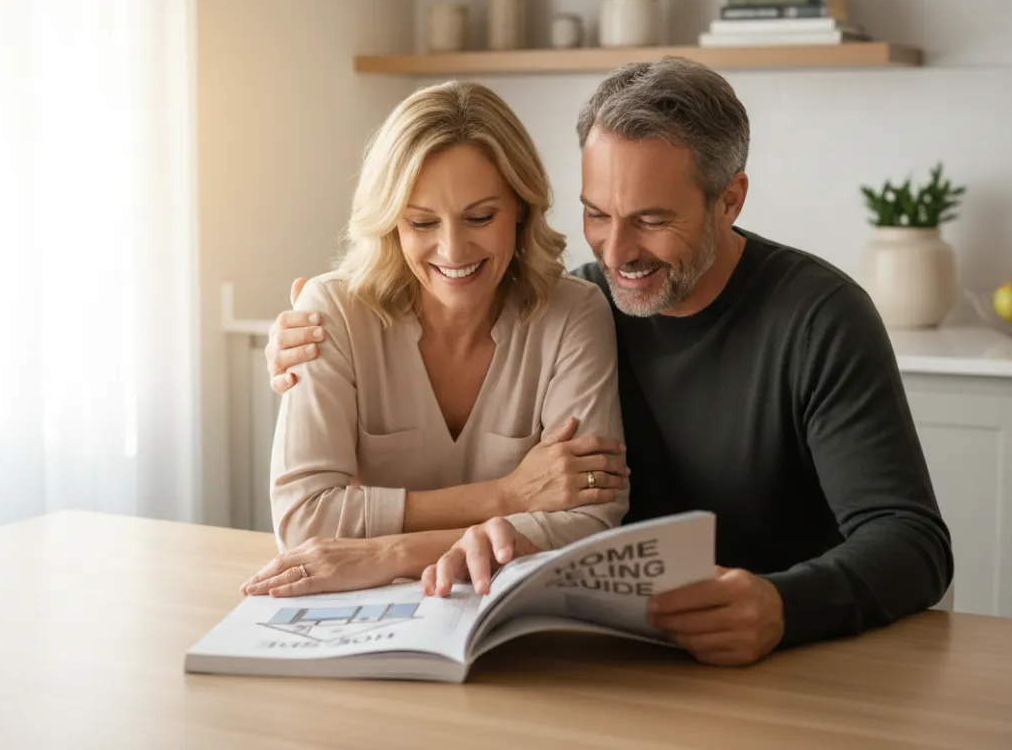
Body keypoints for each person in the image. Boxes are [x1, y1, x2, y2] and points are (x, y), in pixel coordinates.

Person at [264, 58, 954, 666]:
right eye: (598, 213)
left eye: (651, 219)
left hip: (785, 659)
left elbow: (911, 541)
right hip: (615, 653)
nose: (616, 252)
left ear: (730, 200)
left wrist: (784, 605)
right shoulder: (592, 299)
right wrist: (304, 340)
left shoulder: (819, 317)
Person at [241, 80, 631, 600]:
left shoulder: (574, 314)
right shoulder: (330, 312)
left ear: (521, 207)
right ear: (390, 224)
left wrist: (386, 552)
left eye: (480, 217)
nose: (452, 249)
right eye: (422, 221)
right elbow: (304, 521)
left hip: (515, 617)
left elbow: (591, 520)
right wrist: (507, 496)